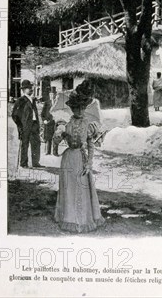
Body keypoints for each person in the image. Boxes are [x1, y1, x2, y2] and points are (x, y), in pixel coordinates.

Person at [54, 89, 105, 233]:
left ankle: (83, 219)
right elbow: (56, 144)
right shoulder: (66, 124)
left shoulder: (88, 125)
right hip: (68, 159)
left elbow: (91, 145)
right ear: (72, 109)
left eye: (82, 108)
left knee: (82, 187)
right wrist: (59, 135)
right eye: (77, 108)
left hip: (80, 159)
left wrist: (89, 163)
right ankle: (69, 218)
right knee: (69, 188)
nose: (80, 111)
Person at [11, 80, 42, 169]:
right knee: (25, 144)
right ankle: (23, 163)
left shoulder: (32, 100)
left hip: (34, 125)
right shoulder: (20, 100)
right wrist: (20, 126)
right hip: (25, 126)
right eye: (29, 88)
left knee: (36, 143)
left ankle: (35, 163)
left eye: (31, 88)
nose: (31, 89)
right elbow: (14, 115)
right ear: (24, 90)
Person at [41, 91, 56, 156]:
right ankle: (48, 151)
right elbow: (42, 113)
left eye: (53, 94)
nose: (52, 96)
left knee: (56, 137)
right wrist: (44, 120)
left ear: (55, 95)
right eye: (50, 94)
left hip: (55, 122)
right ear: (49, 95)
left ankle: (55, 152)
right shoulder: (47, 103)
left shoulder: (57, 102)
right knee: (48, 137)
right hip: (48, 122)